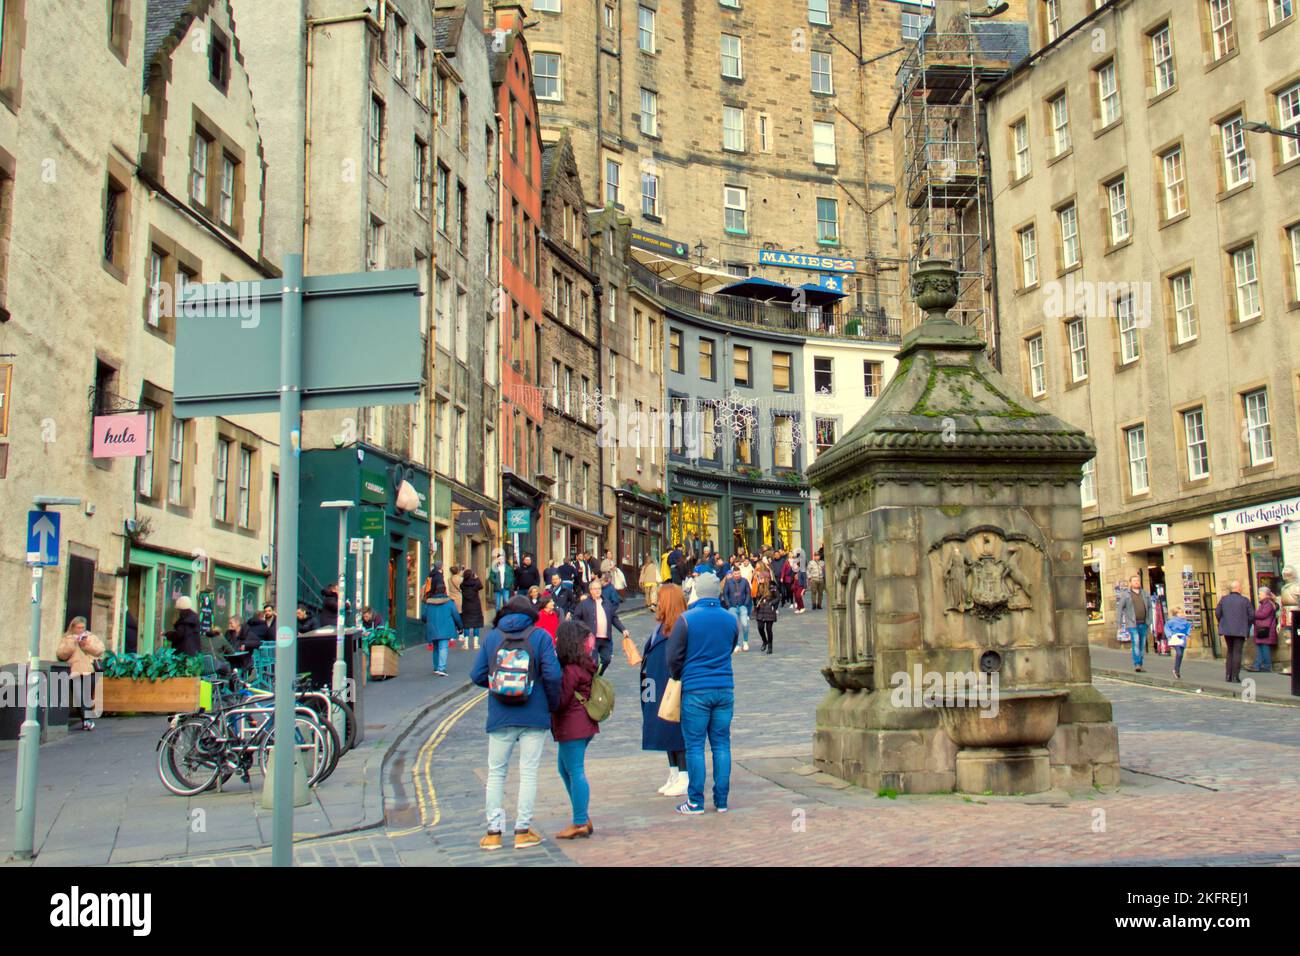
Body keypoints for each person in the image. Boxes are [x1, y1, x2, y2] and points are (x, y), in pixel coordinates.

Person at [470, 595, 562, 851]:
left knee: (496, 773)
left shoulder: (492, 637)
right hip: (534, 714)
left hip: (500, 715)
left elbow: (476, 674)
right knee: (528, 772)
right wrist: (550, 703)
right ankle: (522, 830)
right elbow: (554, 675)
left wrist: (498, 687)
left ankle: (493, 832)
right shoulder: (540, 636)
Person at [666, 573, 739, 815]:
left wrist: (679, 675)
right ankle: (722, 801)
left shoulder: (687, 620)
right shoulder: (730, 619)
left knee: (695, 746)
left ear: (697, 591)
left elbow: (673, 657)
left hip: (696, 688)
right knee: (721, 745)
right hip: (724, 688)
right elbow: (730, 646)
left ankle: (695, 801)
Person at [551, 619, 600, 839]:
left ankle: (580, 820)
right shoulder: (582, 663)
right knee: (565, 769)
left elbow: (561, 701)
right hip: (580, 723)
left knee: (575, 771)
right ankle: (582, 815)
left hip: (573, 725)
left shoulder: (570, 669)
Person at [642, 584, 690, 797]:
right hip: (654, 684)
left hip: (670, 685)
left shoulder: (679, 627)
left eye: (660, 598)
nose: (657, 602)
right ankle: (673, 772)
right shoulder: (661, 626)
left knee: (675, 731)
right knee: (662, 729)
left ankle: (684, 775)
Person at [573, 578, 632, 676]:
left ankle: (598, 676)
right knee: (593, 662)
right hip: (591, 638)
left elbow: (614, 618)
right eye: (595, 589)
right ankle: (592, 681)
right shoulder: (584, 604)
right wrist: (582, 632)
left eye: (599, 589)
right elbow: (575, 619)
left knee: (607, 659)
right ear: (590, 590)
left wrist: (623, 629)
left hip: (606, 638)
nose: (597, 591)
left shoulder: (607, 603)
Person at [56, 617, 104, 731]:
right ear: (73, 627)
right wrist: (73, 643)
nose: (81, 629)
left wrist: (86, 644)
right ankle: (86, 720)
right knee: (79, 697)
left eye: (83, 627)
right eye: (78, 627)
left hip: (90, 671)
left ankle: (87, 719)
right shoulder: (67, 638)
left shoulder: (90, 637)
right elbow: (61, 654)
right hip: (75, 672)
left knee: (86, 696)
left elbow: (100, 650)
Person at [1215, 580, 1254, 684]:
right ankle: (1235, 676)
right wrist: (1247, 625)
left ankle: (1228, 675)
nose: (1241, 588)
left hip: (1227, 629)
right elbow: (1252, 616)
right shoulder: (1245, 600)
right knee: (1237, 652)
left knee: (1230, 652)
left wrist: (1223, 622)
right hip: (1240, 629)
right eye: (1240, 587)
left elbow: (1217, 613)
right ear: (1238, 588)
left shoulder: (1223, 599)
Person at [421, 585, 462, 677]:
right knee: (443, 648)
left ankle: (436, 668)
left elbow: (424, 617)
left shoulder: (429, 603)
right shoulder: (450, 603)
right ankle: (441, 668)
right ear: (445, 592)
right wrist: (460, 627)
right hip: (445, 628)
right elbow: (456, 616)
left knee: (436, 648)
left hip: (432, 628)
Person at [1117, 574, 1154, 673]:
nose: (1136, 582)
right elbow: (1120, 609)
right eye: (1134, 580)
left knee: (1142, 645)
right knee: (1136, 642)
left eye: (1138, 580)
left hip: (1144, 623)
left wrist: (1149, 620)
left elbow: (1150, 607)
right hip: (1132, 623)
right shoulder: (1126, 595)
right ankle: (1137, 663)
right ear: (1131, 583)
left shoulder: (1145, 594)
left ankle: (1140, 664)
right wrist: (1119, 623)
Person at [721, 566, 753, 653]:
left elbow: (748, 593)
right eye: (735, 573)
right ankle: (737, 644)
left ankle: (745, 641)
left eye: (738, 573)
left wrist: (746, 603)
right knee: (735, 626)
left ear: (740, 573)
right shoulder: (728, 582)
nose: (737, 575)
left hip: (742, 606)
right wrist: (728, 605)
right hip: (732, 607)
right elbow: (725, 593)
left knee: (745, 624)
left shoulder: (744, 581)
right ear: (732, 574)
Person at [1249, 587, 1279, 673]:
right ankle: (1257, 665)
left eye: (1260, 594)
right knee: (1260, 647)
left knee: (1264, 648)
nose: (1258, 595)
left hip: (1266, 630)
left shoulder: (1268, 604)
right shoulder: (1264, 604)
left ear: (1265, 594)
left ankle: (1266, 665)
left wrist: (1253, 614)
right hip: (1262, 629)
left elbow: (1262, 615)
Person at [459, 569, 485, 650]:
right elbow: (481, 586)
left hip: (466, 607)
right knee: (476, 624)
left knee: (466, 625)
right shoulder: (476, 584)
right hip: (475, 606)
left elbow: (461, 585)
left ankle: (466, 644)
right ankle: (475, 644)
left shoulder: (462, 585)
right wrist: (476, 578)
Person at [754, 576, 780, 655]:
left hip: (769, 609)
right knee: (760, 627)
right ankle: (764, 641)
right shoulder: (760, 586)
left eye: (761, 578)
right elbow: (757, 597)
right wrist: (757, 603)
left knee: (769, 629)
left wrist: (771, 603)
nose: (759, 579)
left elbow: (778, 597)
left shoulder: (772, 586)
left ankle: (770, 646)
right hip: (761, 609)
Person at [1165, 607, 1192, 680]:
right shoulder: (1171, 621)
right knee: (1179, 653)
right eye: (1180, 613)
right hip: (1175, 638)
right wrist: (1169, 635)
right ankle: (1176, 670)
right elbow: (1167, 627)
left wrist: (1188, 633)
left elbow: (1189, 627)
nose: (1182, 614)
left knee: (1181, 655)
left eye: (1182, 612)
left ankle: (1177, 670)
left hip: (1182, 639)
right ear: (1176, 614)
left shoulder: (1185, 622)